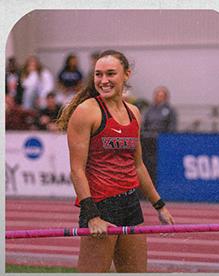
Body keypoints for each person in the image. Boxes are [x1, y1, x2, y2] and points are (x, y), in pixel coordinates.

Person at [56, 49, 174, 272]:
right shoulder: (86, 112)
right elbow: (77, 170)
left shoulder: (134, 113)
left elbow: (138, 165)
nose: (104, 80)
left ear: (126, 74)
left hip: (131, 204)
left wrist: (159, 205)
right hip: (100, 206)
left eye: (111, 74)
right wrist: (92, 216)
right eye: (98, 75)